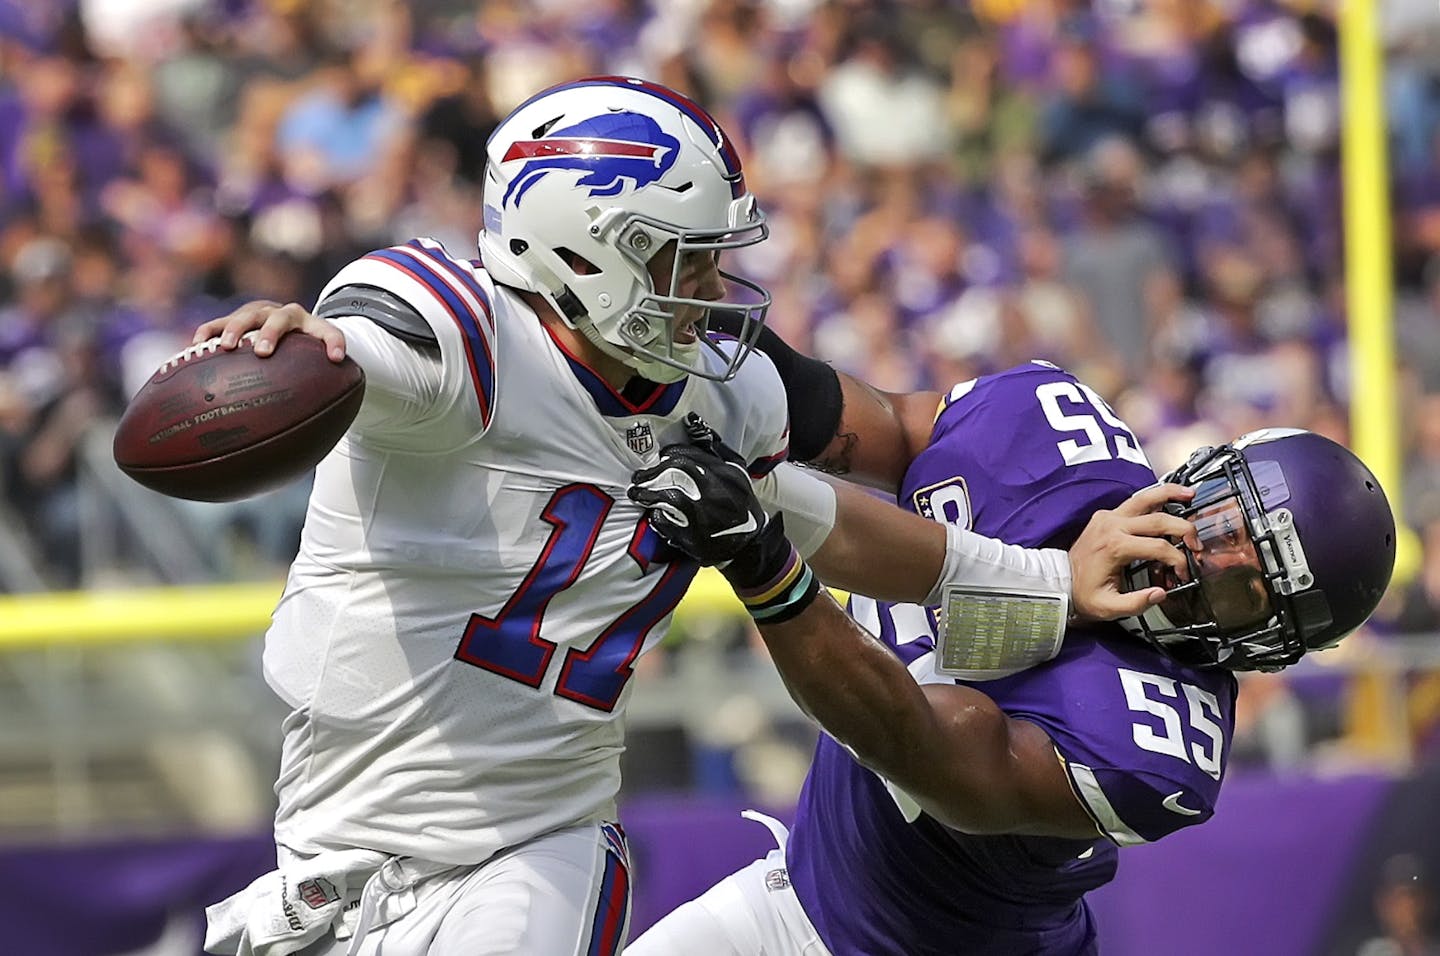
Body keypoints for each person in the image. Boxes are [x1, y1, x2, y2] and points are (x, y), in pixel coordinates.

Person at [185, 76, 1183, 956]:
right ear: (578, 253)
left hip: (534, 844)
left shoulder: (717, 394)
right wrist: (312, 345)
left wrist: (1051, 580)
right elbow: (377, 342)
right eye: (680, 261)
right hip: (327, 848)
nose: (710, 291)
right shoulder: (465, 343)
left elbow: (826, 518)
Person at [625, 351, 1397, 955]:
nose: (1198, 566)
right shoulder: (1051, 437)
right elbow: (880, 423)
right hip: (797, 894)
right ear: (1204, 472)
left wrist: (766, 564)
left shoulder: (1153, 740)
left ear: (1260, 648)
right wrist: (700, 368)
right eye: (1223, 527)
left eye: (1245, 594)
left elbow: (908, 738)